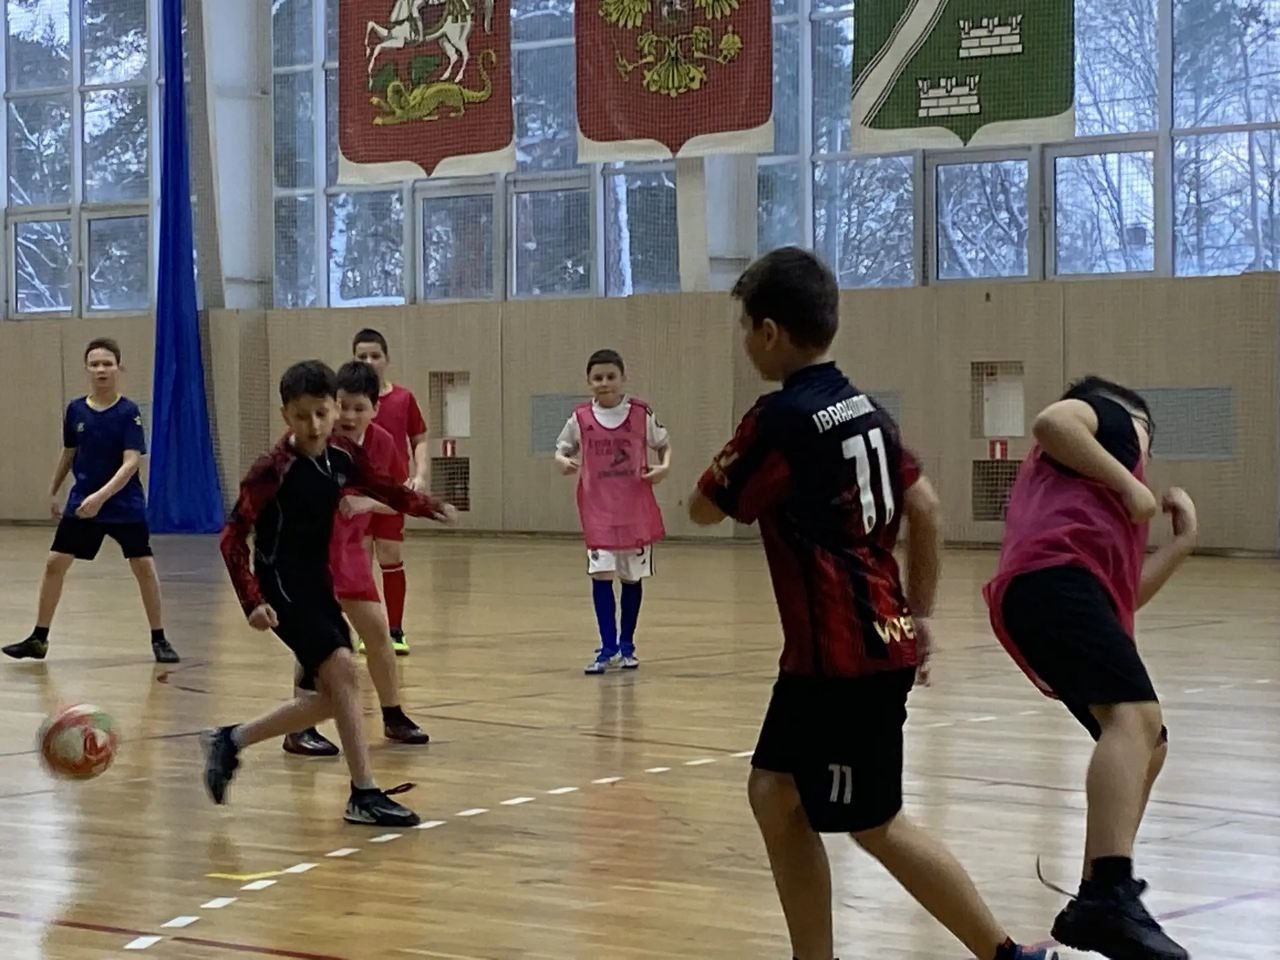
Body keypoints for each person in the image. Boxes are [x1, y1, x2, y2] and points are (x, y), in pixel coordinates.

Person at [687, 247, 1053, 960]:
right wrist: (920, 614)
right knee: (774, 792)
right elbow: (927, 506)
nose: (744, 340)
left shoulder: (781, 419)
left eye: (745, 327)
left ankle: (1009, 955)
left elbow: (705, 508)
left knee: (874, 822)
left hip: (843, 659)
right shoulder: (868, 412)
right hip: (844, 650)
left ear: (769, 331)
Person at [984, 377, 1196, 960]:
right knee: (1134, 717)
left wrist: (1180, 545)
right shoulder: (1113, 417)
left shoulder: (1087, 493)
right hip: (1052, 582)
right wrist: (1130, 482)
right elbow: (1052, 422)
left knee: (1149, 740)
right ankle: (1107, 893)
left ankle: (1095, 897)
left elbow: (1124, 597)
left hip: (1053, 591)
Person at [207, 360, 455, 827]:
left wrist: (427, 505)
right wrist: (252, 600)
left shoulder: (341, 455)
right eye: (302, 416)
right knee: (343, 672)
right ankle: (364, 792)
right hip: (281, 588)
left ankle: (231, 740)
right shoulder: (271, 470)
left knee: (335, 695)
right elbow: (232, 536)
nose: (314, 425)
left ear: (333, 409)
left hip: (318, 583)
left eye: (322, 413)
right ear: (286, 415)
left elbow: (383, 486)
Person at [282, 360, 431, 757]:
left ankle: (394, 716)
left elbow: (401, 499)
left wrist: (367, 502)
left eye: (358, 408)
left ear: (375, 409)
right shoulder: (311, 440)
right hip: (311, 555)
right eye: (343, 406)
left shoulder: (382, 444)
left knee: (378, 633)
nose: (349, 416)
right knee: (316, 641)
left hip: (349, 553)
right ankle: (298, 729)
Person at [4, 338, 179, 665]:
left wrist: (101, 497)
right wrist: (54, 490)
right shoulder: (75, 410)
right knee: (55, 563)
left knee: (143, 566)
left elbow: (131, 462)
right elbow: (69, 452)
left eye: (107, 364)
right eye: (95, 364)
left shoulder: (128, 412)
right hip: (83, 501)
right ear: (86, 369)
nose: (101, 370)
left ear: (119, 368)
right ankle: (38, 638)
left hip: (123, 503)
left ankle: (159, 638)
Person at [555, 349, 670, 675]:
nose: (604, 383)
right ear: (588, 381)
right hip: (598, 511)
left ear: (622, 378)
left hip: (635, 511)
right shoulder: (580, 417)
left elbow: (663, 443)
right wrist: (563, 461)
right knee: (601, 575)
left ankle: (627, 645)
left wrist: (664, 467)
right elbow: (561, 449)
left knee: (631, 578)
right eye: (597, 378)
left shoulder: (641, 413)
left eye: (610, 376)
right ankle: (607, 647)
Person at [353, 329, 429, 656]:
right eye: (362, 356)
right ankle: (368, 630)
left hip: (390, 492)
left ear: (387, 359)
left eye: (375, 355)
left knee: (390, 555)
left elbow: (419, 438)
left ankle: (395, 630)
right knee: (359, 559)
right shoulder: (348, 403)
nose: (369, 362)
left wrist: (420, 475)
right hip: (356, 492)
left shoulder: (403, 399)